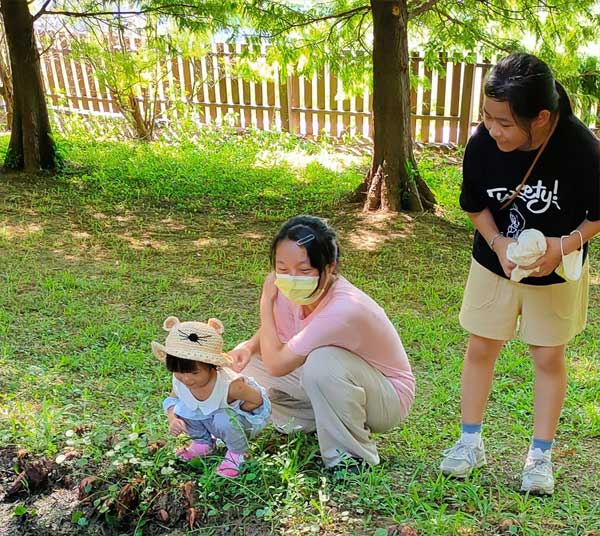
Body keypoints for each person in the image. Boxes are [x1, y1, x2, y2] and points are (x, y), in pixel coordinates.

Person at [440, 52, 600, 495]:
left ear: (542, 117)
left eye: (504, 123)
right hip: (495, 263)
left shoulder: (581, 148)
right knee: (480, 346)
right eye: (487, 118)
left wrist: (561, 246)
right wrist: (499, 245)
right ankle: (469, 442)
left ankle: (540, 455)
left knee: (548, 357)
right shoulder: (482, 143)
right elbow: (475, 207)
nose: (492, 130)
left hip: (557, 269)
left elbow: (596, 214)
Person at [228, 215, 415, 470]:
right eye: (282, 269)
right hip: (333, 383)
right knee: (245, 366)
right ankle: (305, 422)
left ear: (330, 267)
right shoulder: (295, 292)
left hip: (384, 398)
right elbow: (276, 335)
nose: (291, 278)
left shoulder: (344, 308)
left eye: (304, 270)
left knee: (323, 362)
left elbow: (277, 365)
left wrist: (265, 302)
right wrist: (248, 347)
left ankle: (350, 458)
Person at [152, 316, 270, 478]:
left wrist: (239, 411)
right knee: (183, 409)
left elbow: (257, 400)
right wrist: (173, 418)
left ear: (213, 367)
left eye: (194, 373)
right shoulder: (180, 381)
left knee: (224, 418)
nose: (186, 379)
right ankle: (202, 443)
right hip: (208, 417)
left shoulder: (230, 386)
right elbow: (173, 400)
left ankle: (238, 453)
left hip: (239, 423)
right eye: (179, 372)